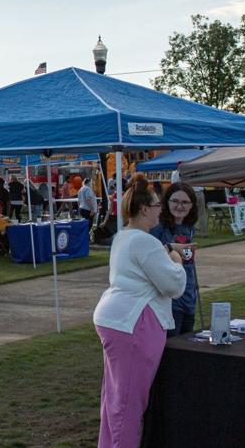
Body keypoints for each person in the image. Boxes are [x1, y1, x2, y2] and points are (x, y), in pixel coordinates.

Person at [93, 178, 186, 448]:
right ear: (144, 208)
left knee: (115, 396)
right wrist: (177, 262)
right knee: (128, 402)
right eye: (158, 205)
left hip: (117, 320)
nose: (161, 210)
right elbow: (173, 285)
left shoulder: (124, 236)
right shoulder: (144, 243)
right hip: (134, 323)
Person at [149, 183, 199, 336]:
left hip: (189, 297)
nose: (180, 206)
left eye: (185, 202)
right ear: (167, 202)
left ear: (191, 205)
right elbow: (151, 257)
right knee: (172, 347)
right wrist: (170, 247)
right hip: (169, 300)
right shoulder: (158, 227)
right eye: (175, 201)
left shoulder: (189, 227)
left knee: (187, 346)